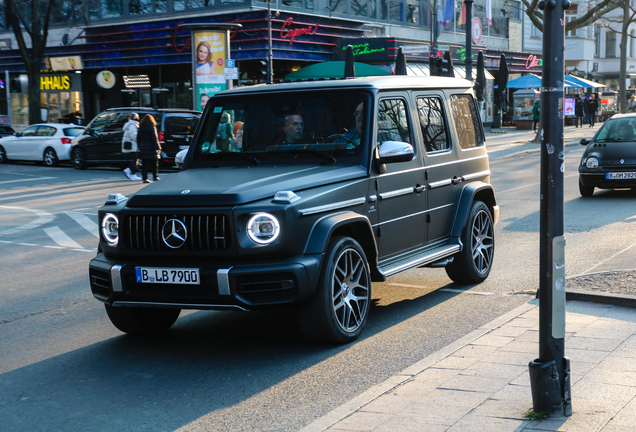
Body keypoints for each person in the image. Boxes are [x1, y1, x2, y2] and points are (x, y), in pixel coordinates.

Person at [137, 114, 161, 183]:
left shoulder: (140, 128)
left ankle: (145, 178)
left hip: (143, 146)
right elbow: (154, 138)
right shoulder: (152, 127)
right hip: (151, 147)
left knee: (144, 164)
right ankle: (155, 176)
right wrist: (158, 148)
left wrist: (139, 146)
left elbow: (138, 138)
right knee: (154, 163)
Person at [122, 112, 142, 181]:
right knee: (134, 159)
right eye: (136, 117)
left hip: (132, 145)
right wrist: (140, 139)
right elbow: (133, 136)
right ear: (133, 117)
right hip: (133, 145)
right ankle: (133, 174)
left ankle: (130, 171)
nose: (138, 118)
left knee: (135, 159)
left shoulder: (132, 124)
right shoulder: (132, 125)